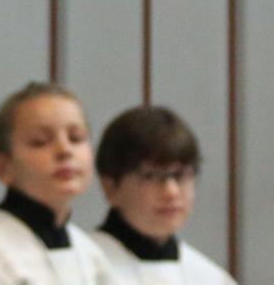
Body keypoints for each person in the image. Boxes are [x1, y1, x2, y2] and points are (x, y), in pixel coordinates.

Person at [0, 82, 115, 285]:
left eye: (75, 138)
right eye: (40, 141)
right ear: (3, 166)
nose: (65, 150)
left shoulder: (89, 254)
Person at [90, 105, 237, 284]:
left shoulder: (211, 278)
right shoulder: (85, 267)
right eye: (151, 176)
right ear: (110, 186)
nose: (171, 192)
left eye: (181, 175)